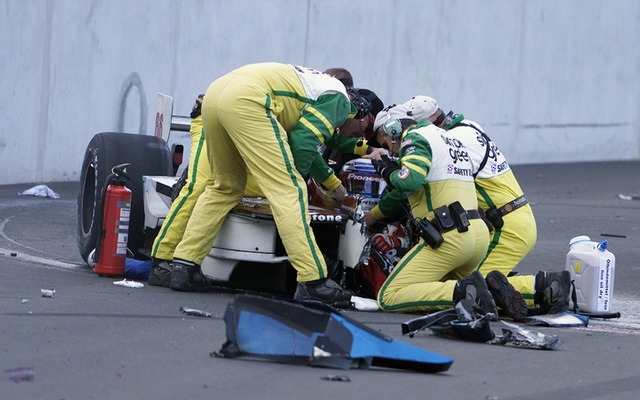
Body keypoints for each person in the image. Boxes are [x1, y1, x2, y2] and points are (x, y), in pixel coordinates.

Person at [169, 63, 366, 308]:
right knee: (288, 190)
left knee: (224, 187)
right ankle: (313, 281)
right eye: (360, 130)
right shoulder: (340, 100)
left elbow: (308, 137)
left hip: (216, 93)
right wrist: (298, 179)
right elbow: (304, 140)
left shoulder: (314, 85)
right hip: (247, 99)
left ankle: (184, 266)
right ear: (356, 111)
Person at [400, 95, 571, 318]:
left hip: (504, 226)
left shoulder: (453, 139)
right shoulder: (469, 127)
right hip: (516, 218)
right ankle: (544, 287)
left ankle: (545, 286)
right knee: (479, 284)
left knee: (475, 292)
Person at [367, 107, 495, 315]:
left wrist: (385, 169)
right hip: (477, 234)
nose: (390, 152)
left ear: (393, 129)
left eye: (385, 144)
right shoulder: (446, 137)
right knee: (437, 290)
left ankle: (463, 291)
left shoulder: (415, 138)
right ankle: (538, 288)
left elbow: (410, 180)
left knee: (389, 295)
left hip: (449, 236)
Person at [148, 94, 262, 287]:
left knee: (244, 186)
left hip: (248, 125)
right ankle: (161, 260)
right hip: (213, 116)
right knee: (199, 185)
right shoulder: (319, 100)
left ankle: (185, 259)